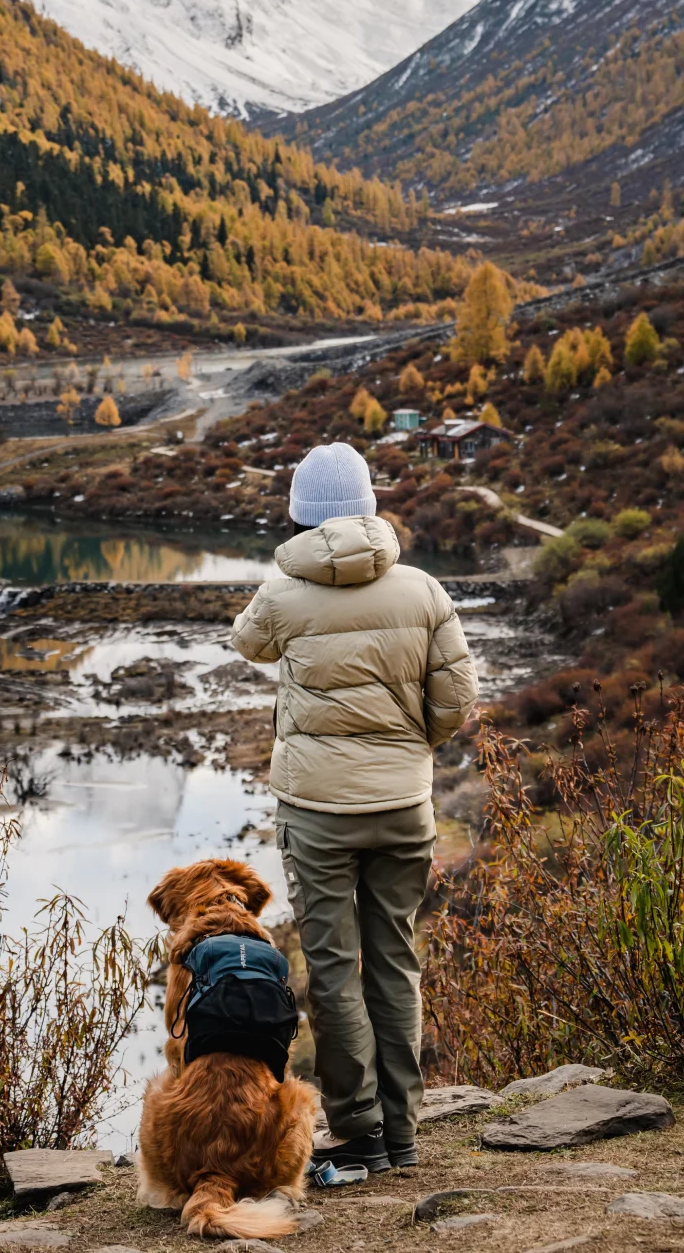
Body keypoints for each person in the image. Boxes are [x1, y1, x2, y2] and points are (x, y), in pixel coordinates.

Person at [231, 441, 478, 1173]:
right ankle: (403, 1138)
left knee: (334, 972)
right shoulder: (425, 590)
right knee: (397, 965)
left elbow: (247, 644)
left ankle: (360, 1132)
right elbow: (457, 699)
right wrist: (413, 747)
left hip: (316, 811)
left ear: (302, 514)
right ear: (370, 506)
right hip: (403, 806)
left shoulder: (281, 594)